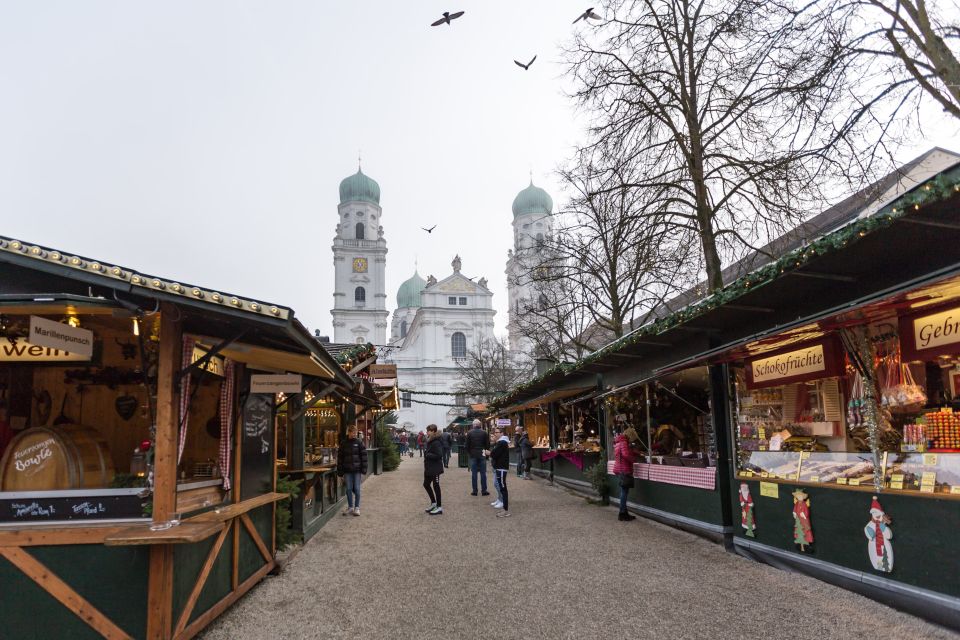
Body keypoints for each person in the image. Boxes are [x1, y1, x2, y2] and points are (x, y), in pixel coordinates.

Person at [337, 425, 368, 516]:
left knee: (357, 489)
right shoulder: (343, 443)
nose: (354, 434)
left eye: (355, 432)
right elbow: (340, 458)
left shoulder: (359, 442)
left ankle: (357, 508)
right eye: (353, 432)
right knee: (349, 489)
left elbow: (364, 456)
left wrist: (364, 469)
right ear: (349, 432)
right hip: (347, 471)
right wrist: (340, 471)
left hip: (357, 470)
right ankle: (350, 507)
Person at [613, 427, 641, 521]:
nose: (631, 440)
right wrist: (634, 459)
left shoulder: (618, 442)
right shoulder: (624, 442)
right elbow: (625, 454)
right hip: (624, 469)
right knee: (624, 492)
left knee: (623, 491)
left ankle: (624, 512)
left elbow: (624, 452)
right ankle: (622, 513)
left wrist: (636, 452)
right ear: (630, 436)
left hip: (619, 468)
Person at [488, 427, 511, 517]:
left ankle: (505, 510)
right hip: (500, 467)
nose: (496, 434)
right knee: (502, 487)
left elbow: (494, 454)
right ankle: (504, 508)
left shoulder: (502, 443)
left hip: (501, 467)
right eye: (495, 432)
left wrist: (488, 453)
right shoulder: (501, 442)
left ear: (502, 433)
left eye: (497, 432)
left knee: (503, 488)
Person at [465, 418, 490, 496]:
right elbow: (487, 444)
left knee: (474, 473)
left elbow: (467, 445)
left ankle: (475, 491)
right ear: (480, 425)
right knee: (483, 473)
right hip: (482, 453)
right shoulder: (484, 433)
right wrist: (485, 451)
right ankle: (484, 490)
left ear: (473, 425)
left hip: (473, 454)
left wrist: (469, 453)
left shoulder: (469, 433)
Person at [423, 424, 444, 515]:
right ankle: (434, 503)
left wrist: (428, 455)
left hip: (435, 467)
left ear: (433, 431)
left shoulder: (437, 441)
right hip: (429, 467)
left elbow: (439, 455)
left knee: (436, 486)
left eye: (428, 431)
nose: (427, 432)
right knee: (426, 484)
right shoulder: (430, 440)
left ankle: (439, 507)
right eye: (427, 430)